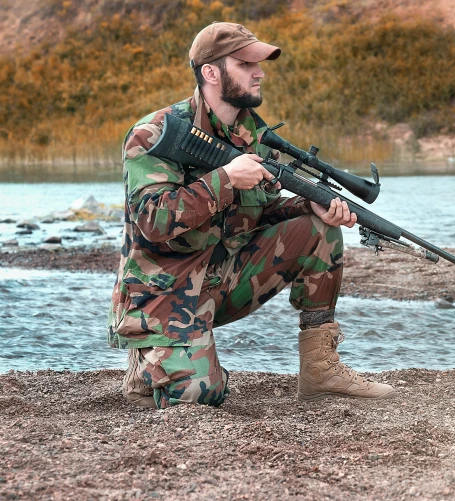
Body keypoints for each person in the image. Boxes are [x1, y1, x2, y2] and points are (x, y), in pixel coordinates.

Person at [107, 22, 395, 409]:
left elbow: (261, 213)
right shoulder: (156, 135)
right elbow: (151, 222)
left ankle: (321, 373)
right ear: (211, 72)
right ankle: (149, 365)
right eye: (246, 64)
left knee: (318, 230)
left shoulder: (253, 137)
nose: (259, 72)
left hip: (222, 279)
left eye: (258, 64)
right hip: (164, 294)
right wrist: (225, 179)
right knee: (198, 395)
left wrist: (306, 206)